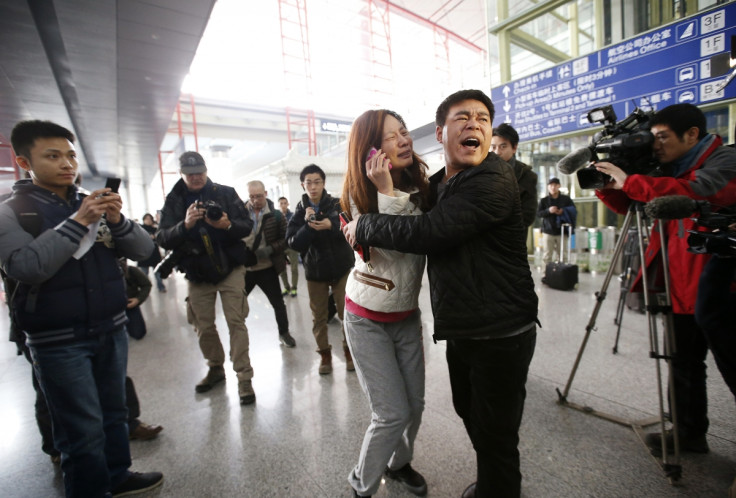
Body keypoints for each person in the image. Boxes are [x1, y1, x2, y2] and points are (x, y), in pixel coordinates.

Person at [343, 90, 539, 498]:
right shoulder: (436, 183)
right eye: (462, 118)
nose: (474, 125)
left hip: (500, 330)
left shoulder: (491, 179)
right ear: (441, 132)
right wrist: (377, 202)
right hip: (457, 325)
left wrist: (367, 225)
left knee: (494, 432)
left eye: (483, 119)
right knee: (469, 414)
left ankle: (497, 490)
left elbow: (428, 233)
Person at [0, 120, 163, 496]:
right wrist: (79, 222)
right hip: (57, 340)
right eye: (52, 156)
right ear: (24, 161)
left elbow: (145, 252)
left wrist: (117, 220)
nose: (66, 164)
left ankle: (117, 475)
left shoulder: (91, 201)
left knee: (113, 413)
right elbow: (26, 266)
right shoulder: (13, 211)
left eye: (71, 155)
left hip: (110, 327)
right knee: (81, 427)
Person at [594, 103, 736, 456]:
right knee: (683, 362)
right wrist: (613, 186)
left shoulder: (725, 161)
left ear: (692, 134)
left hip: (720, 283)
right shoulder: (665, 170)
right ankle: (688, 433)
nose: (656, 145)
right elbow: (637, 206)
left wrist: (635, 182)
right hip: (677, 282)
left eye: (661, 137)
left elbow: (695, 192)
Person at [341, 109, 430, 498]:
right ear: (372, 149)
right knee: (391, 413)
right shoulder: (358, 195)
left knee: (415, 405)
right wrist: (387, 191)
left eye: (405, 131)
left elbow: (427, 232)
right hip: (367, 319)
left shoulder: (423, 186)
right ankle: (362, 485)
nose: (405, 140)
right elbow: (391, 243)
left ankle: (398, 465)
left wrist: (394, 190)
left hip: (406, 314)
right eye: (393, 136)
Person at [155, 151, 257, 405]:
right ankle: (215, 368)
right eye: (190, 174)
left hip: (230, 268)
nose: (196, 177)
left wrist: (226, 225)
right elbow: (162, 237)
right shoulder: (175, 200)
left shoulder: (224, 192)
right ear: (182, 174)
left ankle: (244, 377)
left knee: (237, 322)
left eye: (200, 171)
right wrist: (185, 225)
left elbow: (246, 226)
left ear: (206, 169)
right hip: (197, 273)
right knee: (203, 325)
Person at [286, 164, 355, 375]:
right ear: (302, 185)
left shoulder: (337, 204)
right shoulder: (299, 212)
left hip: (341, 267)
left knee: (347, 314)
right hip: (315, 272)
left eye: (317, 182)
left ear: (323, 183)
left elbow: (351, 226)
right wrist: (307, 226)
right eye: (309, 183)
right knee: (319, 317)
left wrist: (331, 225)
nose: (313, 187)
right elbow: (293, 243)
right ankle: (325, 354)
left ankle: (349, 351)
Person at [244, 181, 296, 348]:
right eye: (251, 197)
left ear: (265, 193)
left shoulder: (276, 216)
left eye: (258, 196)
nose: (255, 200)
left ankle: (284, 333)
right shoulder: (240, 214)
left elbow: (286, 239)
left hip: (267, 268)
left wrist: (269, 249)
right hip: (246, 270)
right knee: (236, 305)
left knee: (278, 303)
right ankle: (238, 341)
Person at [491, 123, 539, 227]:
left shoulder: (527, 176)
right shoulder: (480, 172)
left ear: (514, 148)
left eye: (503, 146)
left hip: (511, 240)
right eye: (493, 147)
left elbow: (527, 216)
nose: (497, 152)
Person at [537, 177, 577, 265]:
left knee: (563, 255)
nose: (553, 187)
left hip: (562, 231)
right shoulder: (543, 201)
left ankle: (562, 275)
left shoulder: (566, 199)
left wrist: (563, 211)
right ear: (548, 187)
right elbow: (538, 214)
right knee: (547, 255)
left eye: (555, 185)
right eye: (551, 185)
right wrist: (549, 211)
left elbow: (574, 210)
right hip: (548, 231)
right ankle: (546, 275)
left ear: (559, 186)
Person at [137, 213, 166, 292]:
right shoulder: (140, 229)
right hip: (143, 255)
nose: (148, 221)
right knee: (143, 275)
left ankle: (161, 287)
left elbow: (161, 239)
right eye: (146, 219)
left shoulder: (155, 229)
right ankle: (144, 290)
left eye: (150, 219)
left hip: (154, 254)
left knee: (158, 273)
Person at [277, 196, 300, 297]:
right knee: (282, 269)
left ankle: (294, 288)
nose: (283, 205)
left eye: (284, 203)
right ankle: (286, 287)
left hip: (291, 246)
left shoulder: (293, 216)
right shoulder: (276, 216)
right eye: (281, 203)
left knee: (294, 268)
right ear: (279, 205)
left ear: (287, 204)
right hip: (280, 247)